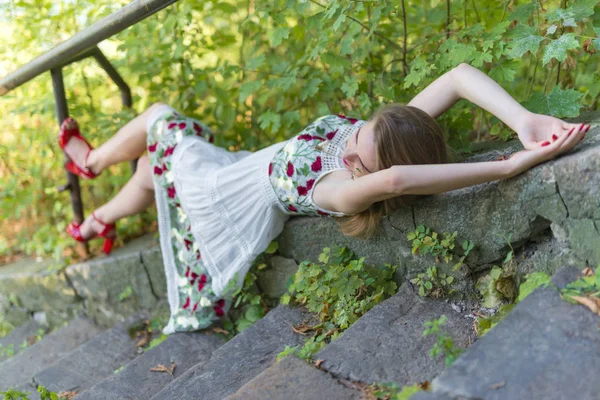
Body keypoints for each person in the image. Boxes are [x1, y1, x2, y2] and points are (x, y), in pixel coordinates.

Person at [58, 63, 590, 334]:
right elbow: (456, 77)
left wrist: (509, 165)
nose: (355, 154)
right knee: (156, 167)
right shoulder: (379, 132)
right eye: (361, 138)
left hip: (223, 199)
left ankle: (91, 164)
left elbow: (399, 180)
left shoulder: (337, 189)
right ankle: (94, 223)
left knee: (158, 119)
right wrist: (523, 121)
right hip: (240, 168)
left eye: (368, 164)